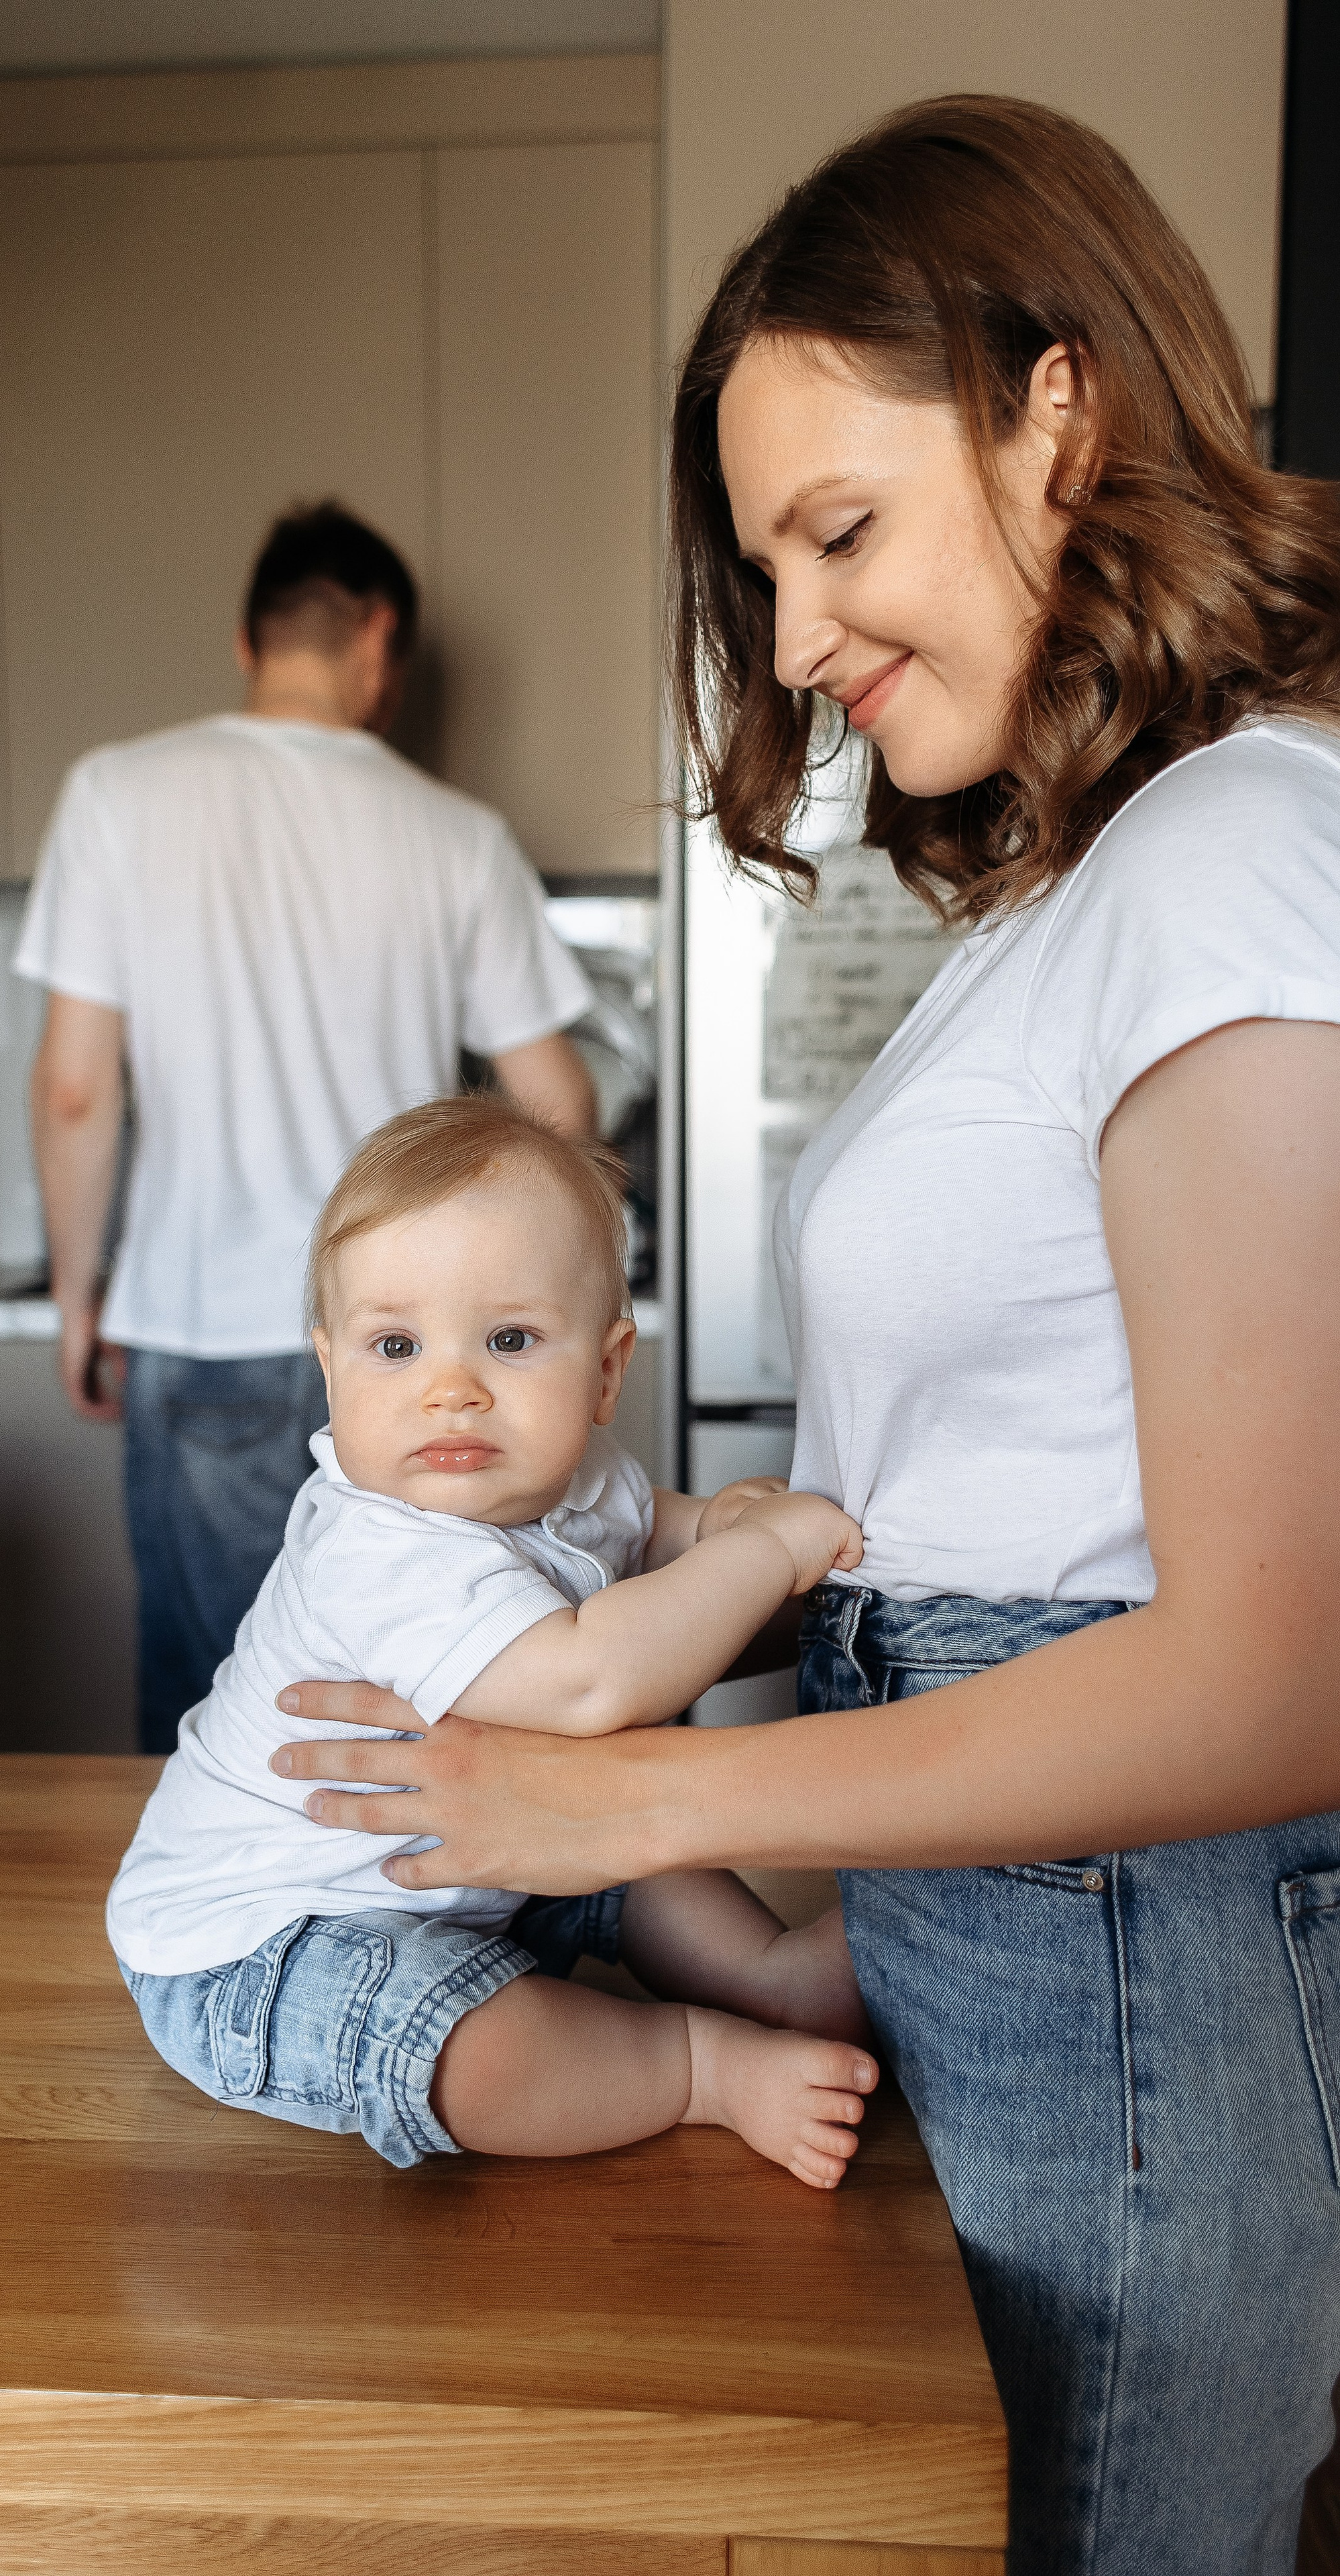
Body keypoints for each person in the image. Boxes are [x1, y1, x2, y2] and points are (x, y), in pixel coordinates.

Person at [265, 98, 1340, 2576]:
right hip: (1016, 1935)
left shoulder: (1235, 864)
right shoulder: (1084, 889)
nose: (799, 640)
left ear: (1060, 407)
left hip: (1123, 1998)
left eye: (840, 532)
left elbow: (1275, 1672)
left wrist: (636, 1802)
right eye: (765, 570)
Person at [107, 1095, 875, 2180]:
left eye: (509, 1340)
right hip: (268, 1943)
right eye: (395, 1345)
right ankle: (696, 2066)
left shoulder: (566, 1478)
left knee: (615, 1830)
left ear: (607, 1371)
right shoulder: (377, 1549)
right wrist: (765, 1554)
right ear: (330, 1369)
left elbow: (654, 1529)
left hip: (472, 1866)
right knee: (478, 2055)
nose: (451, 1389)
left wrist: (720, 1522)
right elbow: (590, 1681)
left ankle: (777, 1974)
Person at [16, 502, 597, 1754]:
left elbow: (75, 1090)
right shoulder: (459, 836)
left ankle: (227, 1938)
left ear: (250, 638)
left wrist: (78, 1295)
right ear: (380, 639)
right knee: (426, 1694)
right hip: (419, 1345)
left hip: (205, 1321)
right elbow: (560, 1103)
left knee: (220, 1711)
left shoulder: (119, 795)